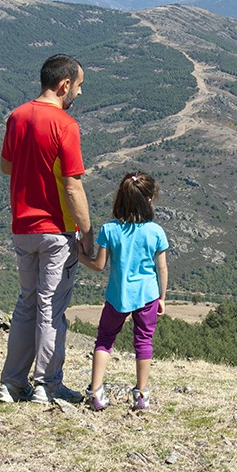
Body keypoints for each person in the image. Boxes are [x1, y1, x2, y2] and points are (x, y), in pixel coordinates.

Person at [0, 53, 94, 405]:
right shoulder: (65, 125)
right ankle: (47, 385)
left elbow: (6, 167)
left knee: (27, 303)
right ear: (64, 84)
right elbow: (73, 186)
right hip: (56, 228)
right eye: (78, 86)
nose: (79, 94)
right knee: (51, 307)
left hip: (22, 226)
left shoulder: (17, 116)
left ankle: (11, 383)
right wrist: (88, 231)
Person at [78, 171, 169, 411]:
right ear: (149, 199)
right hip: (147, 295)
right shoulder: (156, 232)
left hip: (118, 296)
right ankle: (141, 395)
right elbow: (162, 268)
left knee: (105, 340)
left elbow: (98, 266)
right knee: (143, 342)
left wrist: (78, 255)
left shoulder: (109, 230)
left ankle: (96, 392)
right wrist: (162, 297)